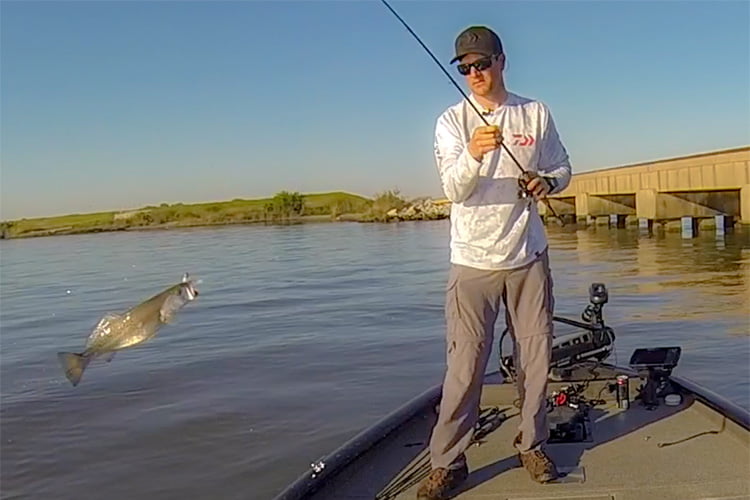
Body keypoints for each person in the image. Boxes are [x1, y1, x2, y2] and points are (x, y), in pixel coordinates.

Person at [416, 25, 572, 500]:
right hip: (471, 262)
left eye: (481, 64)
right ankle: (448, 461)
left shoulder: (535, 113)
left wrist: (547, 181)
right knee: (464, 367)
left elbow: (563, 167)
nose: (474, 73)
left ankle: (531, 444)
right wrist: (474, 154)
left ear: (501, 61)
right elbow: (454, 190)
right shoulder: (451, 122)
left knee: (537, 358)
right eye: (465, 68)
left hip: (528, 256)